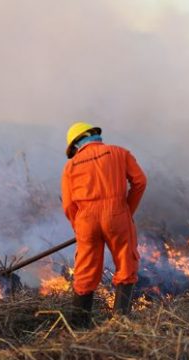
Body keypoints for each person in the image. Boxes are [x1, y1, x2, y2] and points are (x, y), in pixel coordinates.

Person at [61, 122, 147, 327]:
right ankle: (120, 322)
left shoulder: (70, 166)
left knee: (84, 271)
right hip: (117, 214)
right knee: (126, 263)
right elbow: (140, 182)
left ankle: (79, 327)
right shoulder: (119, 152)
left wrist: (80, 227)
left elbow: (68, 205)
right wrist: (127, 211)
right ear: (94, 136)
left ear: (75, 145)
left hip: (85, 220)